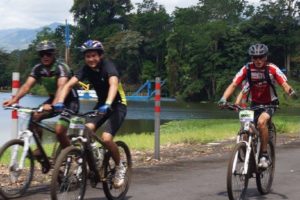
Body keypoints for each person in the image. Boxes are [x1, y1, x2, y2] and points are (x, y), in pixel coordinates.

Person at [53, 39, 127, 188]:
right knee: (85, 130)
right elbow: (69, 84)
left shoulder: (108, 67)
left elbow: (113, 85)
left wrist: (107, 104)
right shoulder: (85, 69)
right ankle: (93, 159)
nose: (91, 59)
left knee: (106, 139)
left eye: (94, 55)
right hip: (101, 105)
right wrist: (60, 101)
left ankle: (120, 166)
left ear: (100, 55)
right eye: (88, 56)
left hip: (117, 105)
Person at [219, 43, 296, 168]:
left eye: (261, 57)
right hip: (254, 104)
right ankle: (248, 153)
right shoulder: (247, 69)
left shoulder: (272, 69)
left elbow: (284, 84)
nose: (258, 60)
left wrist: (291, 92)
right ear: (251, 58)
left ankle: (264, 155)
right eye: (255, 58)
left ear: (266, 57)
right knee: (245, 129)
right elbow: (233, 85)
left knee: (261, 122)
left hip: (270, 104)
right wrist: (223, 99)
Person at [3, 40, 79, 155]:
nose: (45, 56)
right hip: (53, 99)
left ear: (53, 54)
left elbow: (61, 87)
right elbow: (27, 86)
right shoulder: (38, 68)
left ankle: (71, 155)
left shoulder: (61, 67)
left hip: (69, 101)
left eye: (48, 53)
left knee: (59, 131)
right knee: (34, 117)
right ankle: (39, 150)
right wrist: (14, 100)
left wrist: (53, 105)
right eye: (42, 54)